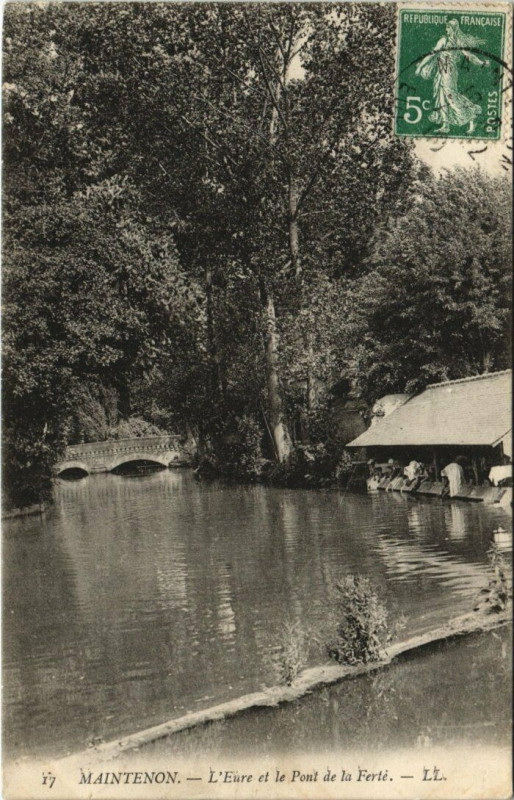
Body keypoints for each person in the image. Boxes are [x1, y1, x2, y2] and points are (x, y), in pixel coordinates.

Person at [415, 20, 489, 134]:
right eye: (446, 27)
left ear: (454, 29)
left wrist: (482, 63)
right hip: (441, 70)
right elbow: (432, 54)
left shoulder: (456, 41)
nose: (446, 30)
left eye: (448, 28)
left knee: (451, 96)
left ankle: (471, 115)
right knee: (441, 96)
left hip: (449, 71)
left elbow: (469, 55)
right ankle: (445, 125)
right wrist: (420, 66)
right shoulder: (443, 40)